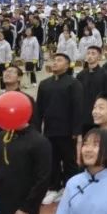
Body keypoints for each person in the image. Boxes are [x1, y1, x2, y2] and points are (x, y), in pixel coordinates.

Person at [38, 53, 84, 206]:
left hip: (67, 130)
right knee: (52, 160)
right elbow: (39, 110)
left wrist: (77, 130)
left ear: (67, 65)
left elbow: (78, 107)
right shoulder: (44, 84)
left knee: (69, 161)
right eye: (54, 60)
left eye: (59, 60)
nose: (55, 63)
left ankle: (71, 188)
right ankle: (54, 188)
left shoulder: (73, 83)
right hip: (50, 130)